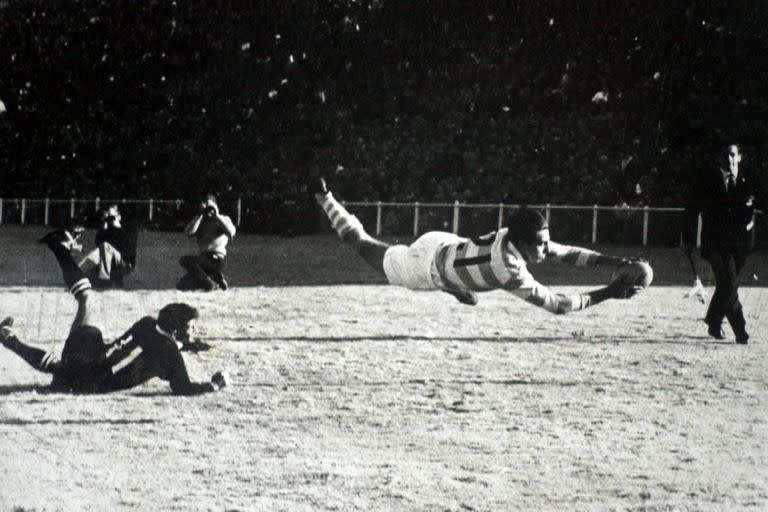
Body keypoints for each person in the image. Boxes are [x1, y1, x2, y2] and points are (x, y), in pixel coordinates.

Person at [311, 178, 650, 314]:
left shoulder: (511, 233)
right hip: (424, 268)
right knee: (362, 244)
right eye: (542, 246)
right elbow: (558, 305)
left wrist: (615, 260)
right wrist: (610, 292)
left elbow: (568, 253)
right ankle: (325, 199)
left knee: (460, 280)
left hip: (444, 243)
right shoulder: (508, 269)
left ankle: (455, 288)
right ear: (522, 244)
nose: (548, 251)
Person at [0, 230, 227, 395]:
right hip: (92, 378)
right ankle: (11, 341)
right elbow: (183, 388)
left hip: (92, 355)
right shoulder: (168, 352)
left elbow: (150, 347)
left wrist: (186, 342)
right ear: (176, 330)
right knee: (64, 370)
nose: (195, 329)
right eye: (191, 326)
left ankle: (57, 246)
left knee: (87, 298)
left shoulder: (148, 323)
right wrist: (213, 385)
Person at [683, 143, 764, 344]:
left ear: (739, 157)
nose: (729, 158)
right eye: (726, 154)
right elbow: (691, 209)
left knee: (728, 286)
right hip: (715, 244)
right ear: (720, 158)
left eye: (733, 154)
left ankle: (716, 323)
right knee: (728, 282)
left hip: (741, 246)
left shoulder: (749, 181)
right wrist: (689, 238)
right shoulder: (707, 181)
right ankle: (736, 328)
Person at [177, 195, 237, 291]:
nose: (209, 210)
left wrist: (217, 216)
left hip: (216, 259)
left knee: (186, 260)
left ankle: (209, 283)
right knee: (181, 285)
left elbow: (231, 232)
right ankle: (216, 279)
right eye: (207, 207)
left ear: (216, 207)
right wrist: (199, 215)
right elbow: (188, 233)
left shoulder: (223, 219)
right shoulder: (200, 220)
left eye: (211, 207)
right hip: (203, 261)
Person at [78, 204, 138, 288]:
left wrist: (116, 226)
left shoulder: (127, 229)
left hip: (124, 264)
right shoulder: (106, 230)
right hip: (108, 264)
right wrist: (104, 227)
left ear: (119, 217)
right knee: (82, 273)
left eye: (112, 217)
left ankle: (105, 281)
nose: (110, 220)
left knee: (106, 246)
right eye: (107, 218)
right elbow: (98, 247)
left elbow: (129, 252)